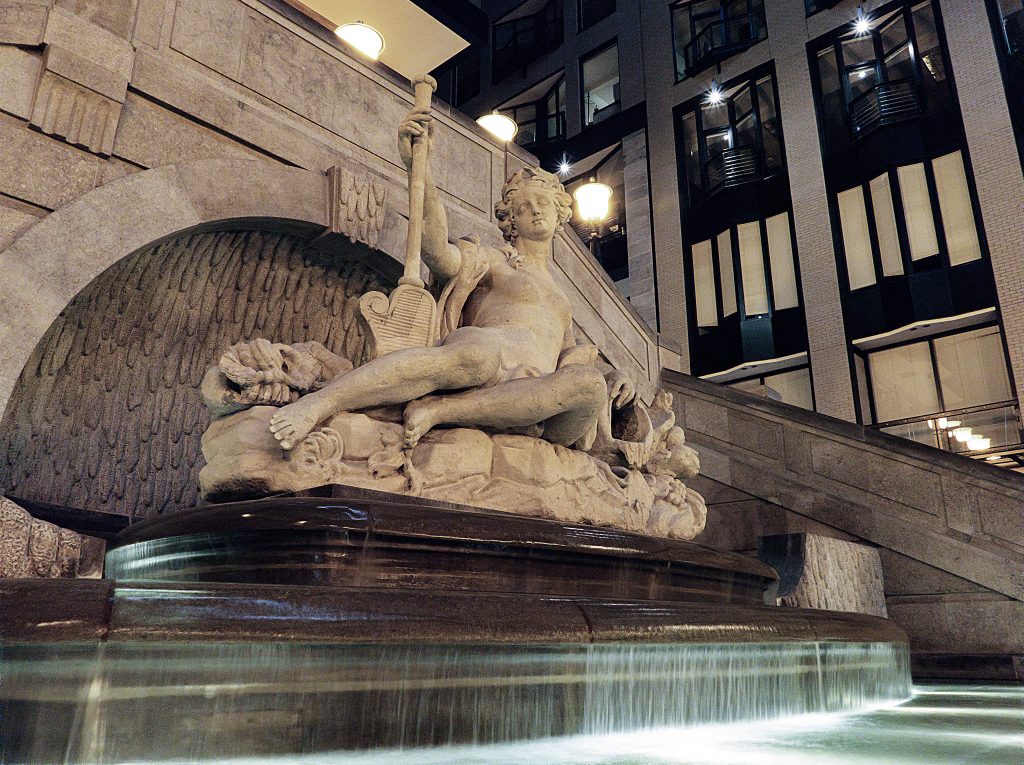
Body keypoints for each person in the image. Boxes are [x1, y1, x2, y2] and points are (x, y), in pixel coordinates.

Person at [268, 106, 634, 451]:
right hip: (488, 358)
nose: (536, 211)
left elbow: (572, 356)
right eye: (524, 207)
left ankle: (441, 411)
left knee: (588, 384)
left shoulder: (561, 296)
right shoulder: (496, 260)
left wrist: (613, 375)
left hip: (535, 397)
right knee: (477, 356)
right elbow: (438, 253)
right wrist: (420, 170)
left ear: (559, 215)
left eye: (543, 203)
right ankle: (320, 404)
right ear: (511, 221)